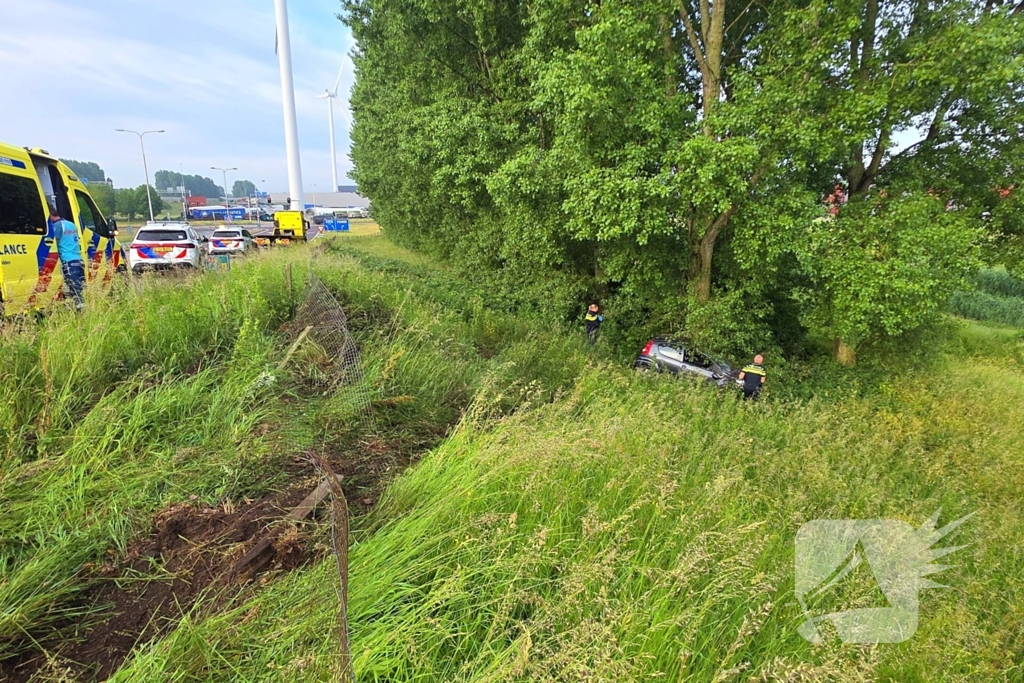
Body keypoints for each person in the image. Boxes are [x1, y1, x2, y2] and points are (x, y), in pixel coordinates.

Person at [48, 204, 85, 309]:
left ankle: (80, 312)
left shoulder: (57, 226)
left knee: (74, 290)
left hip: (68, 260)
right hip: (77, 259)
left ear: (50, 215)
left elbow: (54, 242)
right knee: (79, 287)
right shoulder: (71, 224)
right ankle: (81, 308)